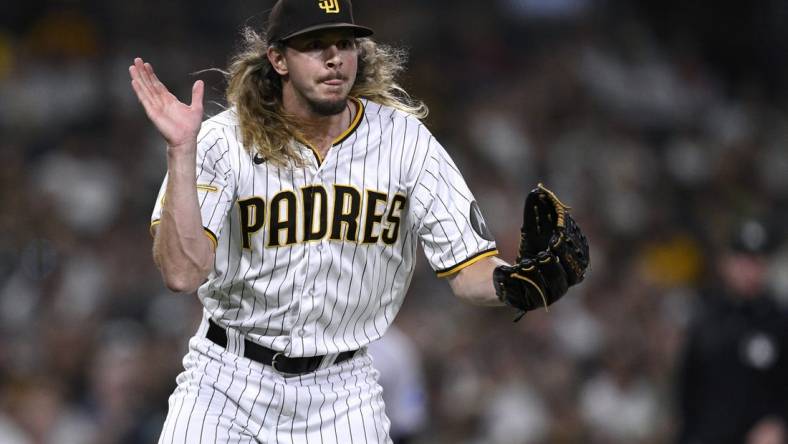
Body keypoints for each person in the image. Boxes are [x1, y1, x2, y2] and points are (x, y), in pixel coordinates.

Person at [129, 1, 586, 442]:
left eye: (345, 44)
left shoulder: (405, 142)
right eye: (314, 44)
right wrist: (179, 151)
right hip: (225, 382)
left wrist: (514, 283)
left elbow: (469, 270)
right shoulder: (220, 140)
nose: (334, 59)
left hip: (342, 392)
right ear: (278, 59)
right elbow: (182, 272)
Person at [677, 219, 788, 444]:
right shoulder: (705, 316)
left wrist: (780, 421)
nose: (748, 270)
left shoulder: (779, 321)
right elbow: (688, 388)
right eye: (742, 260)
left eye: (756, 261)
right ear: (725, 263)